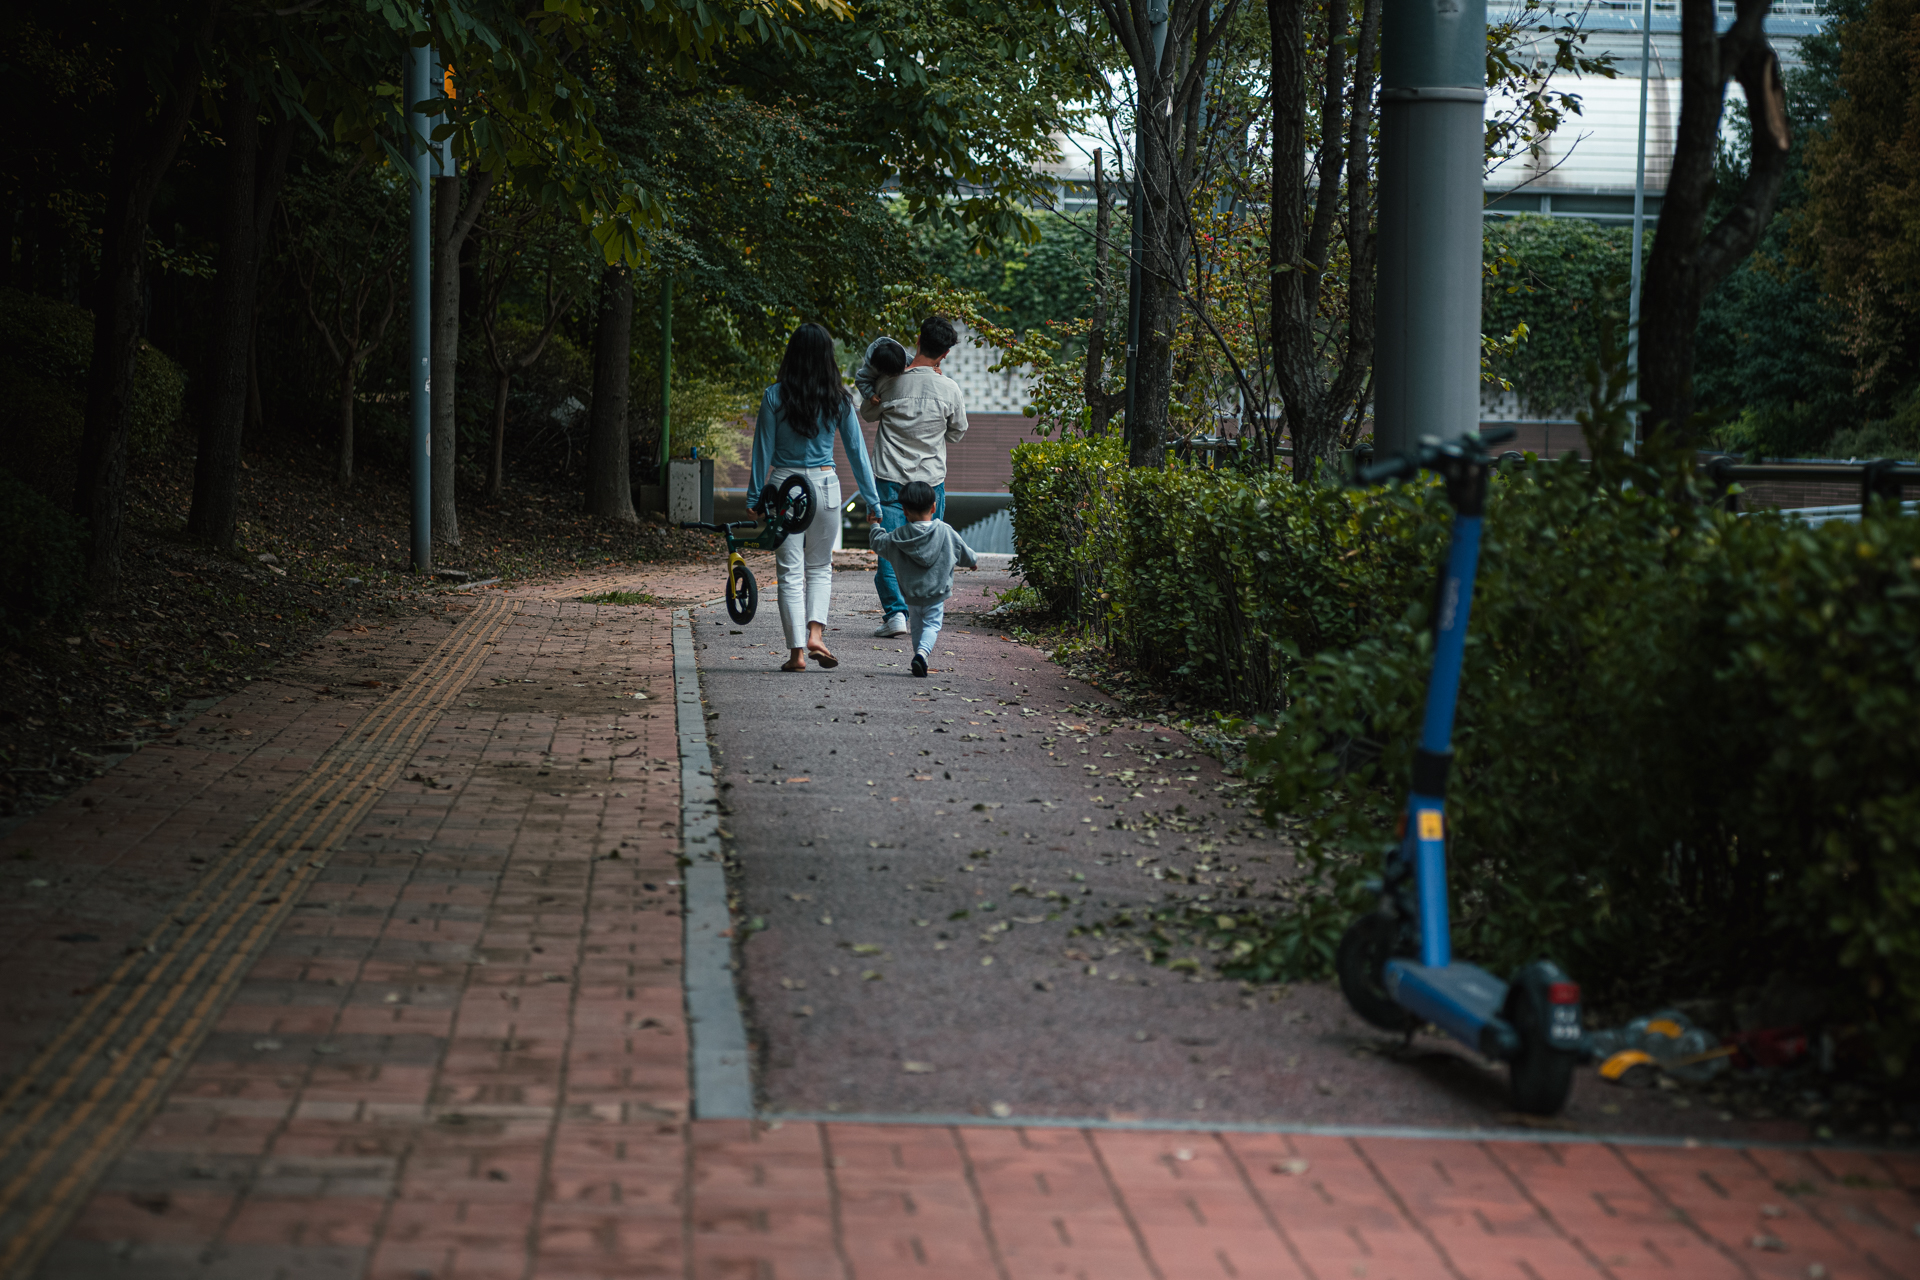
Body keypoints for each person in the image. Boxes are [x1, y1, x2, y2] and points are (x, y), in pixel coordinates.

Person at [749, 323, 881, 672]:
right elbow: (857, 453)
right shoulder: (839, 399)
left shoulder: (774, 396)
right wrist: (873, 501)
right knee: (820, 566)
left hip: (784, 487)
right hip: (824, 487)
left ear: (791, 355)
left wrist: (753, 498)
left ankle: (796, 655)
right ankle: (816, 634)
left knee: (789, 571)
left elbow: (762, 450)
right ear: (827, 357)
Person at [860, 315, 968, 639]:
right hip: (930, 482)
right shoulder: (950, 389)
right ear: (945, 354)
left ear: (918, 341)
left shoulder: (889, 381)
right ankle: (927, 614)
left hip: (890, 477)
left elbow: (867, 414)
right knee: (929, 548)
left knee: (890, 547)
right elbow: (957, 433)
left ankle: (896, 614)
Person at [868, 479, 977, 678]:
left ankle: (920, 658)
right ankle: (922, 654)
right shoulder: (945, 531)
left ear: (905, 511)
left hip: (911, 596)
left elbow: (878, 543)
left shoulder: (898, 537)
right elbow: (963, 551)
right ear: (934, 507)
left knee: (917, 628)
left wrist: (875, 525)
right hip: (936, 594)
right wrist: (972, 562)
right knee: (932, 625)